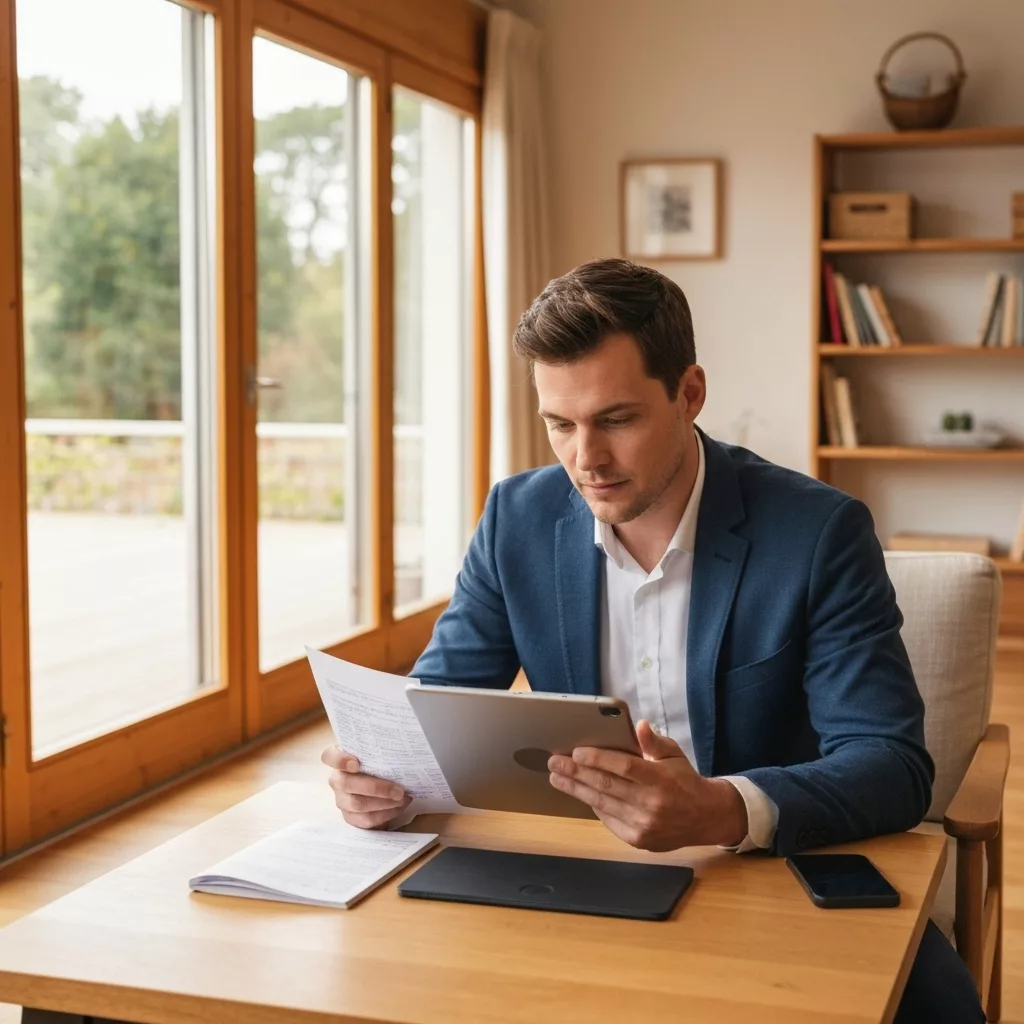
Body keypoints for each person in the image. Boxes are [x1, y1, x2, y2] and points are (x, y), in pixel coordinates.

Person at [322, 257, 983, 1022]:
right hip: (571, 877)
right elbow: (434, 710)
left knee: (934, 1004)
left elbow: (893, 767)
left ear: (689, 394)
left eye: (616, 419)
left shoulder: (818, 533)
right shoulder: (516, 520)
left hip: (769, 878)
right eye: (559, 425)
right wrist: (381, 782)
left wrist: (722, 809)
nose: (585, 459)